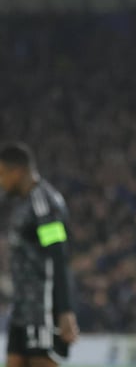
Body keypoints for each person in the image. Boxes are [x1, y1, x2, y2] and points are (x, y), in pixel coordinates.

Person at [0, 142, 79, 367]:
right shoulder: (22, 202)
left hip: (42, 309)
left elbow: (58, 256)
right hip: (22, 309)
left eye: (2, 174)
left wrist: (65, 310)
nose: (1, 180)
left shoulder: (43, 203)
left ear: (17, 171)